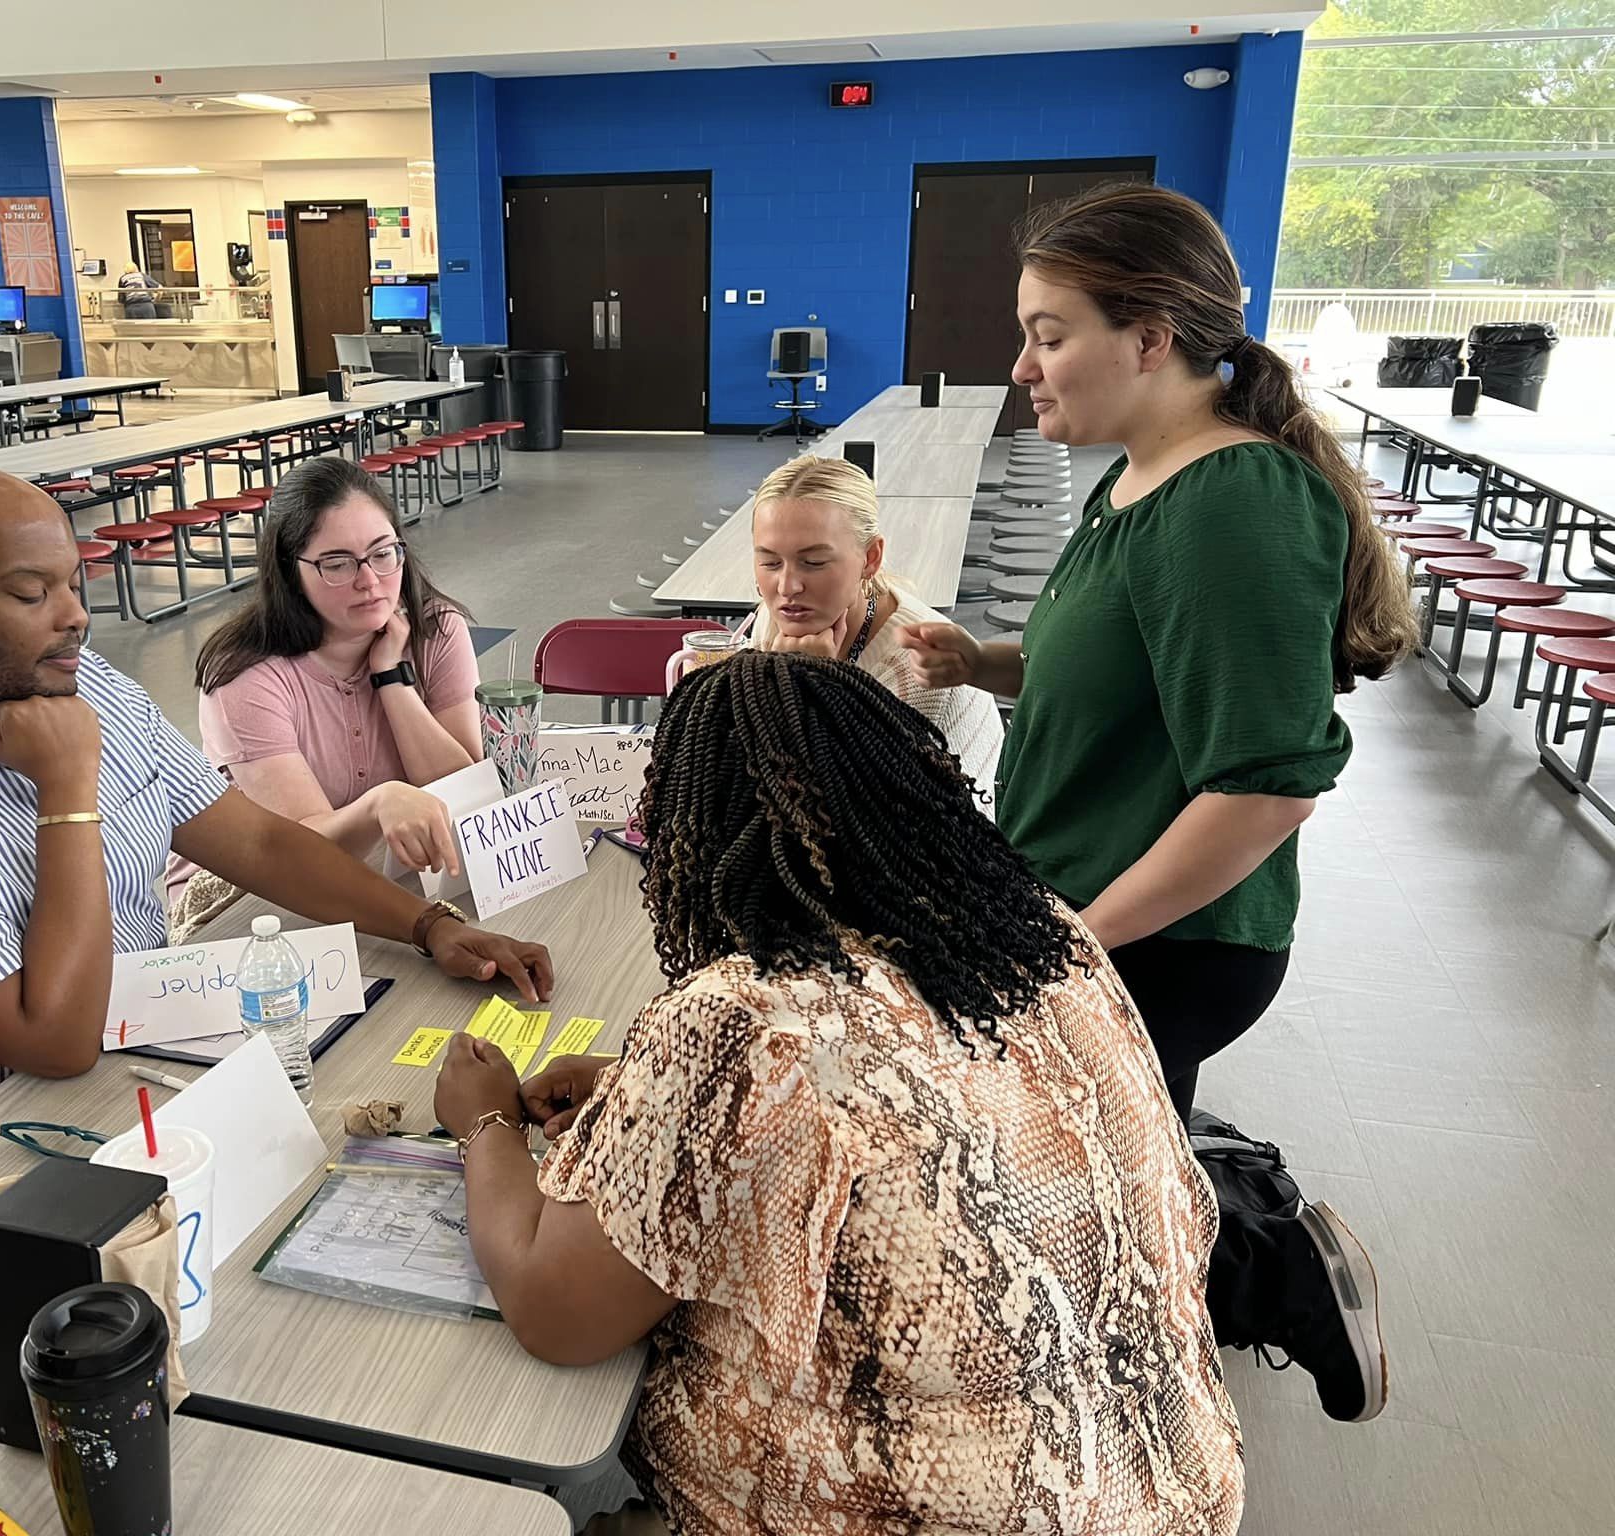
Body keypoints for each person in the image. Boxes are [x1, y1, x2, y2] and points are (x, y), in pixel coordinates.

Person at [436, 652, 1244, 1536]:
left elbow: (556, 1313)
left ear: (687, 833)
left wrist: (483, 1121)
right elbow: (896, 1097)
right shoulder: (1045, 937)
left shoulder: (748, 1023)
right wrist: (644, 1094)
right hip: (1170, 1487)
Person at [901, 184, 1417, 1423]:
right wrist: (988, 664)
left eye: (1048, 331)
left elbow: (1262, 786)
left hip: (1160, 938)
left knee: (1076, 1199)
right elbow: (1126, 677)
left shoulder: (1232, 503)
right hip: (1080, 910)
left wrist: (1080, 939)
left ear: (1151, 336)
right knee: (1097, 1175)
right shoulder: (1136, 479)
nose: (1022, 364)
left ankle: (1266, 1271)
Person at [0, 460, 550, 1203]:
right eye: (30, 592)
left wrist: (428, 924)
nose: (74, 616)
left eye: (73, 583)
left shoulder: (81, 680)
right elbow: (53, 1041)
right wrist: (68, 790)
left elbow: (258, 843)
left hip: (130, 1044)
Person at [166, 457, 481, 938]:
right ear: (291, 572)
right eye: (337, 564)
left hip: (388, 872)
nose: (370, 581)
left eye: (383, 553)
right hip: (252, 900)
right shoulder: (247, 676)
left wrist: (391, 678)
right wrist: (379, 804)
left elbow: (463, 791)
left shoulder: (436, 631)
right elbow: (299, 854)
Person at [748, 453, 1003, 802]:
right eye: (770, 562)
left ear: (871, 558)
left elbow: (905, 830)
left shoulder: (930, 676)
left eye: (814, 563)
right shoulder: (777, 619)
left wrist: (818, 687)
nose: (787, 586)